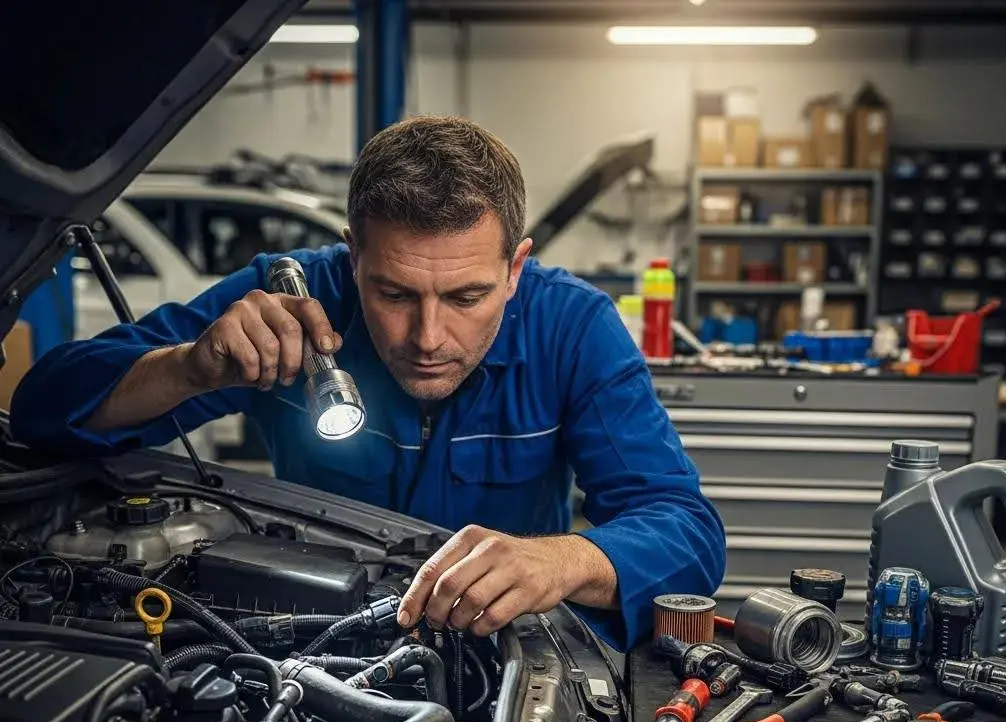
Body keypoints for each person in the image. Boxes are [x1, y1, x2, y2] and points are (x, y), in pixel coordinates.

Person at [11, 115, 725, 651]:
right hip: (308, 645)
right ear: (353, 256)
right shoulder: (289, 300)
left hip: (502, 650)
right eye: (394, 293)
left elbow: (685, 528)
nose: (428, 338)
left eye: (467, 298)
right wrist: (190, 367)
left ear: (516, 268)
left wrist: (562, 559)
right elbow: (45, 406)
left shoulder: (571, 327)